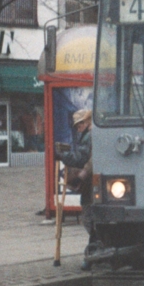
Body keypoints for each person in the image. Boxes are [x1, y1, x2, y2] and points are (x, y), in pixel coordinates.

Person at [55, 109, 95, 256]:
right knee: (89, 215)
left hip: (90, 181)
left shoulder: (88, 136)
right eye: (77, 125)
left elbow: (81, 157)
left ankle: (95, 246)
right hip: (92, 180)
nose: (78, 128)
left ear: (86, 122)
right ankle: (95, 245)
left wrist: (62, 156)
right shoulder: (91, 134)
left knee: (88, 216)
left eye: (80, 124)